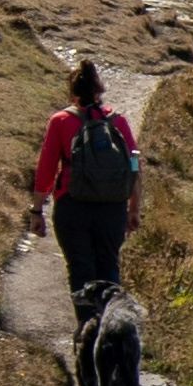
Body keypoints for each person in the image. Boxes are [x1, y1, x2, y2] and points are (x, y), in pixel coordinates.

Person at [30, 58, 139, 331]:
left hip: (72, 205)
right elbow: (135, 166)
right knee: (109, 269)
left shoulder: (61, 121)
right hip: (112, 207)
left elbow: (46, 170)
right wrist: (133, 209)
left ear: (73, 91)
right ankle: (113, 333)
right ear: (99, 89)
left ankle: (87, 334)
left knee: (81, 270)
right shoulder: (118, 121)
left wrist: (36, 210)